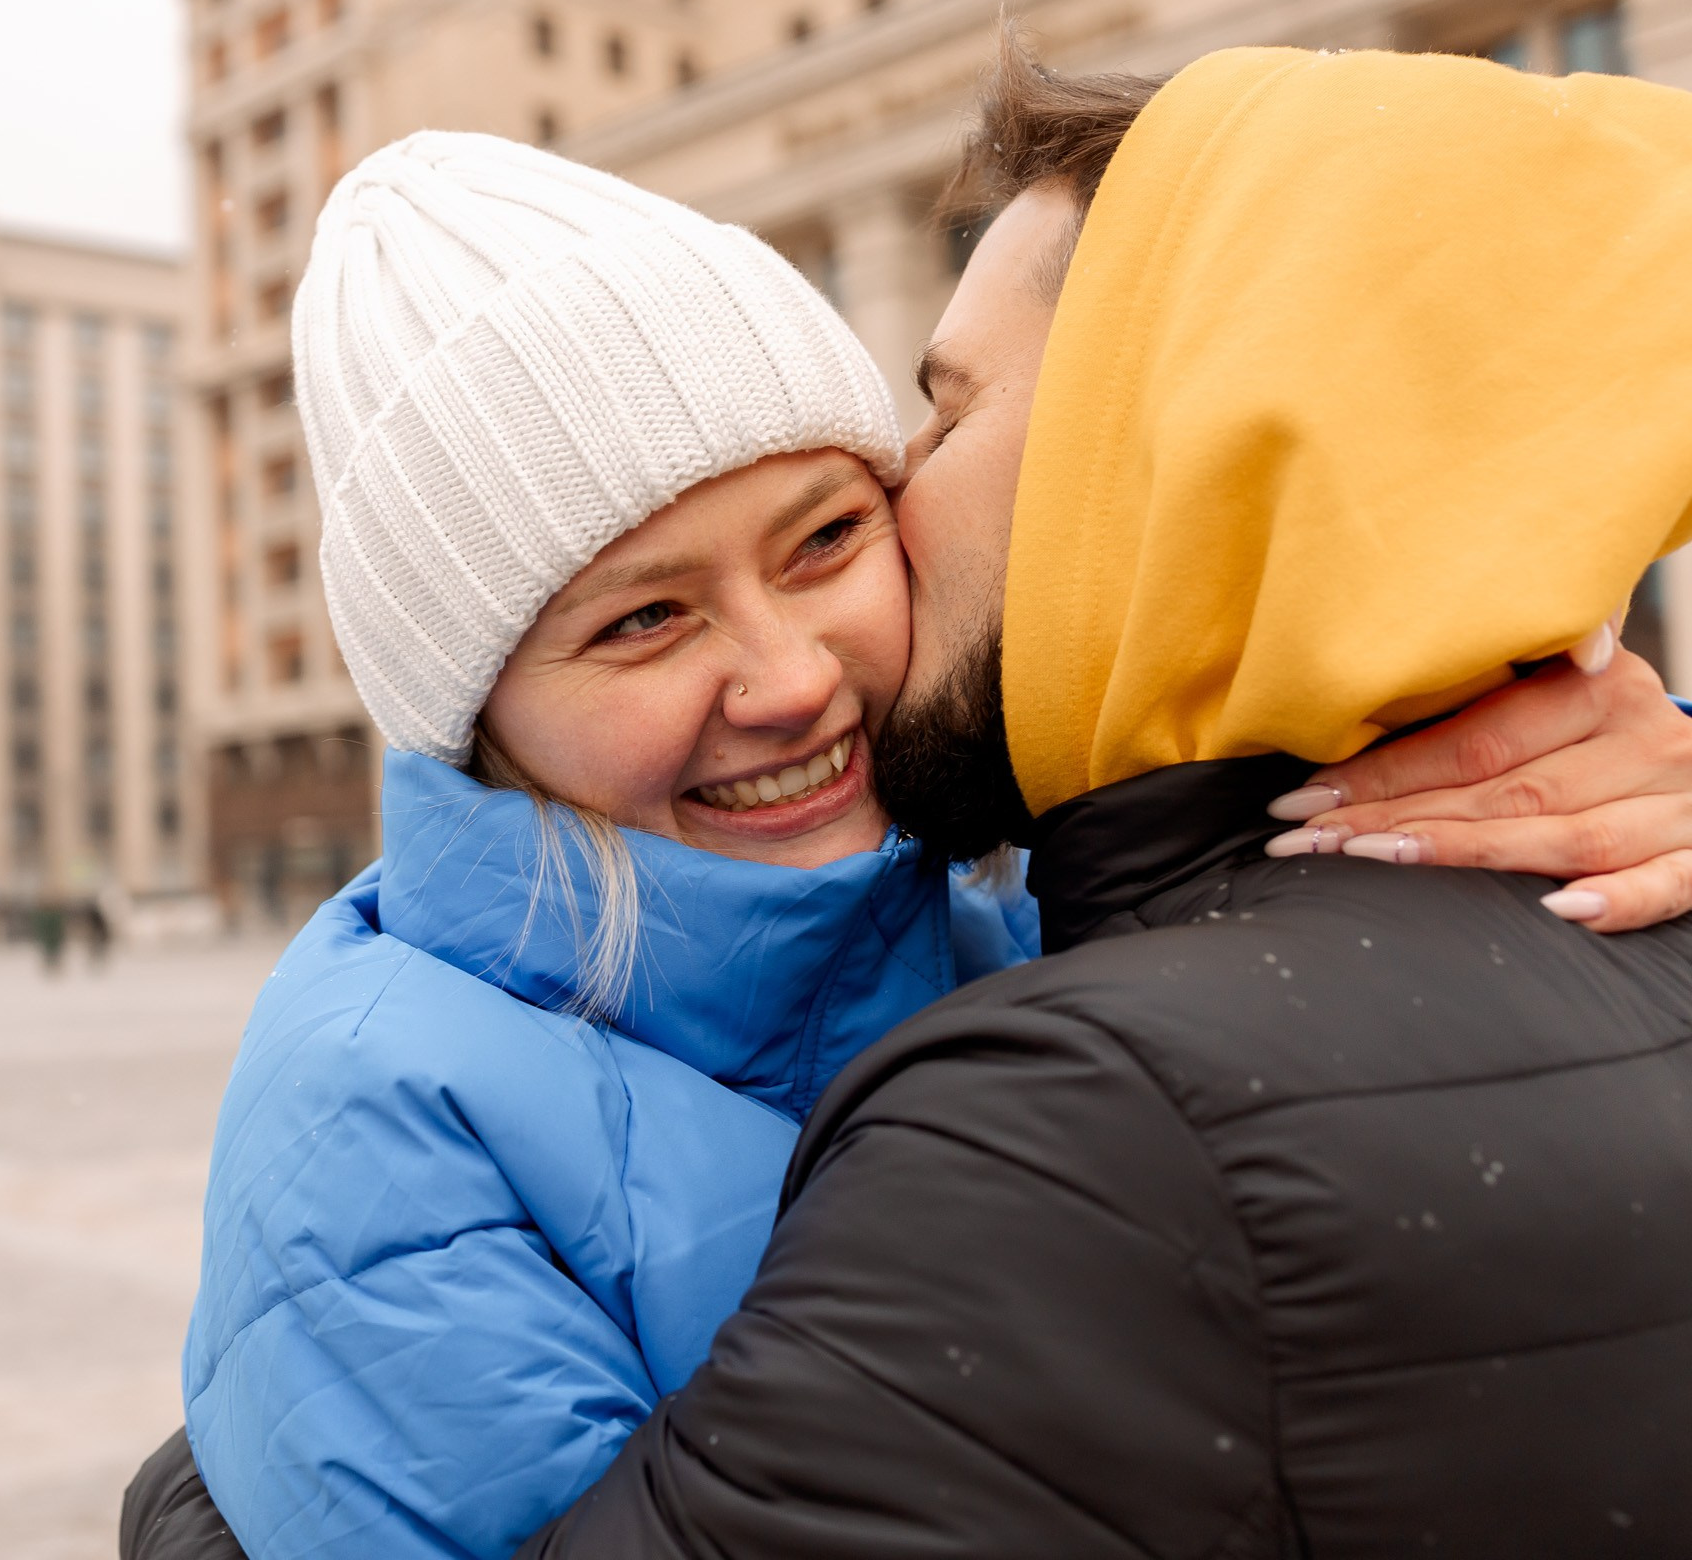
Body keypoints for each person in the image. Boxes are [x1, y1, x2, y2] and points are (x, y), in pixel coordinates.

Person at [128, 121, 1692, 1560]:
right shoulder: (382, 1111)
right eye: (645, 619)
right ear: (483, 720)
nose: (794, 675)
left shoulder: (996, 894)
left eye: (827, 537)